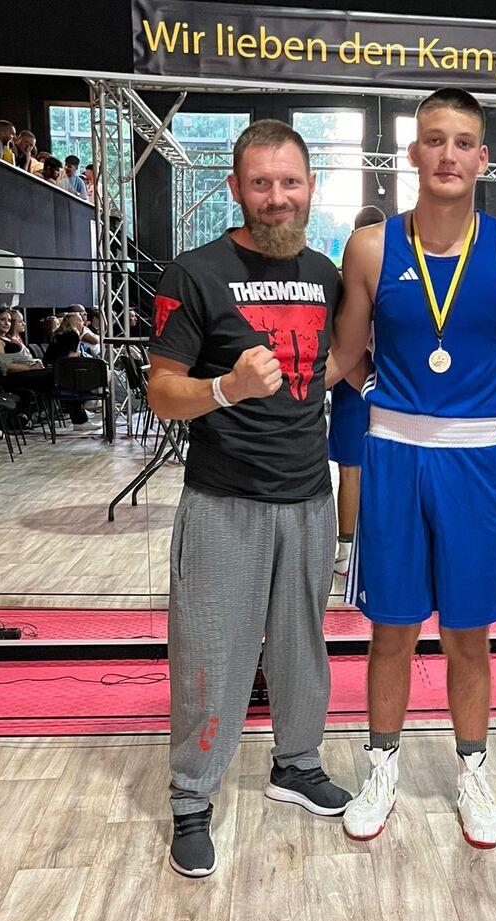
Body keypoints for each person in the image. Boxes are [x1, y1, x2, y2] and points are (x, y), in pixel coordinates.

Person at [332, 88, 496, 848]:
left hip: (471, 461)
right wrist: (269, 391)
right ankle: (382, 764)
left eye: (463, 142)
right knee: (390, 629)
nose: (448, 155)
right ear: (413, 155)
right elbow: (343, 356)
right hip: (389, 454)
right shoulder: (368, 248)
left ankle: (471, 772)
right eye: (434, 140)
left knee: (468, 634)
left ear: (482, 158)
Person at [147, 119, 354, 879]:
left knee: (302, 644)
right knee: (211, 649)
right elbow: (162, 392)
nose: (276, 197)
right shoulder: (194, 272)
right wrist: (227, 387)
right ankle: (192, 798)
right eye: (260, 183)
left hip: (307, 495)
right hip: (224, 498)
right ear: (235, 187)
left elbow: (324, 367)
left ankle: (295, 764)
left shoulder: (327, 274)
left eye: (289, 182)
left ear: (309, 188)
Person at [328, 204, 385, 582]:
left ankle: (349, 549)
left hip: (380, 383)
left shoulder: (350, 275)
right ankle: (349, 549)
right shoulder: (341, 279)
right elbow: (338, 342)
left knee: (358, 471)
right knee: (357, 471)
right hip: (362, 383)